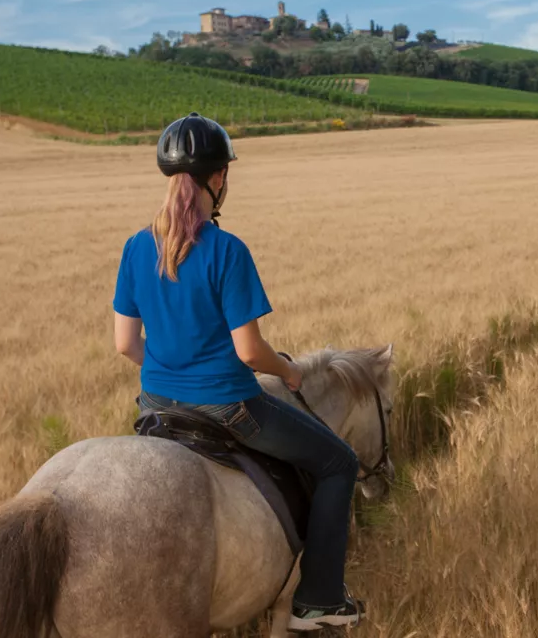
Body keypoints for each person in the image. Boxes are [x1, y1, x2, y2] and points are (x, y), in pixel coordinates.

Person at [111, 112, 365, 631]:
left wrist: (169, 365)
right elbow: (249, 352)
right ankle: (319, 600)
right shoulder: (227, 250)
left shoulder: (136, 247)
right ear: (218, 178)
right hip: (229, 406)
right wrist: (288, 372)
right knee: (339, 462)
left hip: (156, 407)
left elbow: (125, 344)